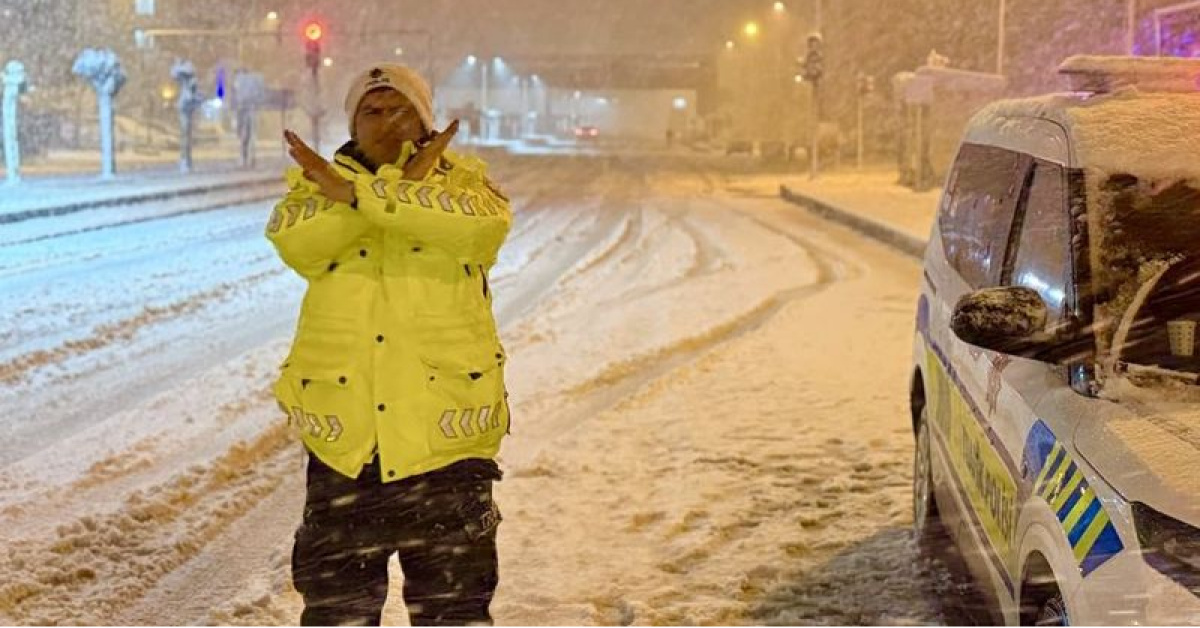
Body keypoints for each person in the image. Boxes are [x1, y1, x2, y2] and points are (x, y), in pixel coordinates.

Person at [265, 63, 512, 626]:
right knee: (337, 615)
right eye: (371, 112)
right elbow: (299, 242)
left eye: (401, 109)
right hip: (347, 451)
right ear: (353, 123)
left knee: (454, 615)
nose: (386, 122)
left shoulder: (469, 189)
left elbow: (479, 231)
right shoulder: (311, 192)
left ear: (424, 119)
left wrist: (358, 193)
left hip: (445, 447)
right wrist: (386, 193)